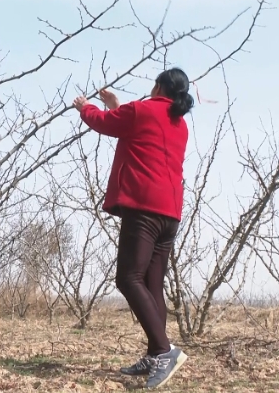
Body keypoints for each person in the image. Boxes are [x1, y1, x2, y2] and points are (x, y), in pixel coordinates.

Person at [72, 68, 193, 389]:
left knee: (128, 278)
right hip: (170, 214)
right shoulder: (179, 123)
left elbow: (104, 123)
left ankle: (165, 351)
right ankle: (156, 353)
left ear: (157, 87)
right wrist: (115, 103)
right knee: (152, 283)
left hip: (143, 208)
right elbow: (135, 129)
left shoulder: (142, 109)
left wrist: (86, 106)